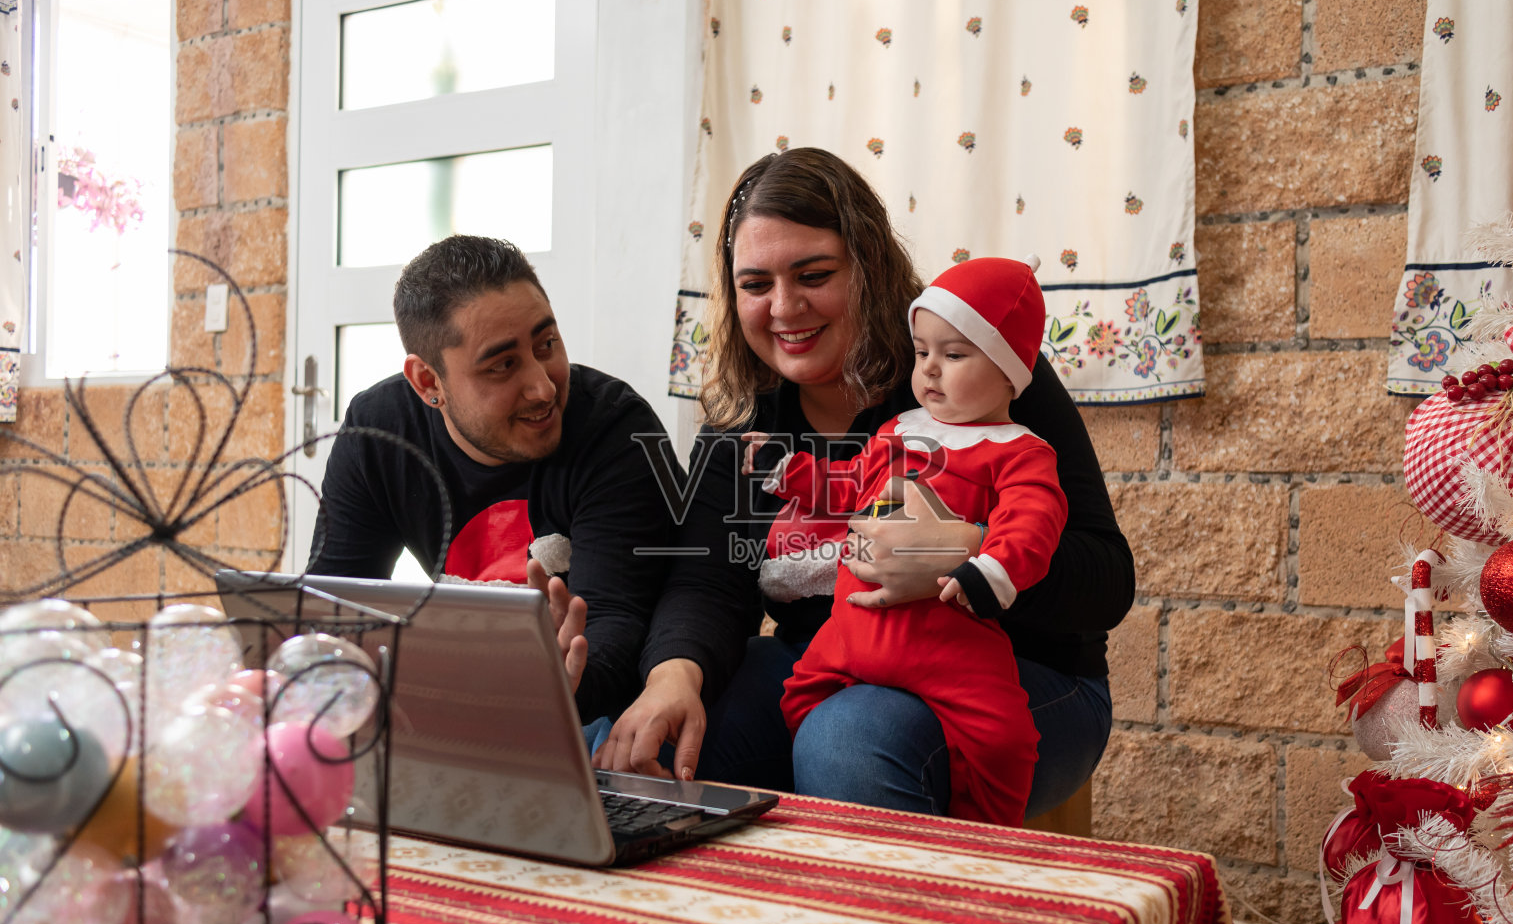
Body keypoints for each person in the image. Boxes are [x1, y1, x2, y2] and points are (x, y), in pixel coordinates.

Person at [596, 148, 1134, 821]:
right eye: (755, 284)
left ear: (869, 266)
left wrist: (963, 551)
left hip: (1020, 677)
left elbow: (1108, 579)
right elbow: (706, 580)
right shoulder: (743, 415)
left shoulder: (972, 363)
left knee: (848, 736)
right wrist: (674, 673)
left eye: (814, 274)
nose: (785, 307)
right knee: (632, 737)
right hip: (834, 658)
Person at [743, 254, 1068, 825]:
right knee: (795, 698)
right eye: (923, 353)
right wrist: (790, 471)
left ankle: (981, 839)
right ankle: (813, 831)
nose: (930, 371)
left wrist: (992, 568)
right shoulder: (898, 430)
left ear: (1008, 367)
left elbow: (1034, 520)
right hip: (851, 631)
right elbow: (849, 485)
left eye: (955, 355)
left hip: (948, 645)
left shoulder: (1020, 450)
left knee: (1005, 740)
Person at [309, 234, 679, 725]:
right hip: (474, 694)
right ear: (427, 382)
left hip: (608, 704)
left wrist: (542, 683)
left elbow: (614, 628)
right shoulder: (381, 431)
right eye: (503, 365)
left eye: (547, 344)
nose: (544, 387)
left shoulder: (616, 428)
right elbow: (332, 608)